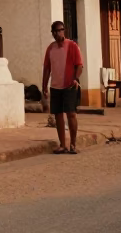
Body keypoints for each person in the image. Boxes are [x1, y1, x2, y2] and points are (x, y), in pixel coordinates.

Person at [41, 20, 83, 155]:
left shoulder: (72, 46)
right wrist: (44, 86)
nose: (58, 33)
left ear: (64, 31)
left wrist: (76, 78)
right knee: (58, 115)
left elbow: (79, 65)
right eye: (55, 31)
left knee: (71, 114)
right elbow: (47, 68)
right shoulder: (50, 48)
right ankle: (62, 145)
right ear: (52, 33)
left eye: (60, 30)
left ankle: (73, 144)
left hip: (70, 85)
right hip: (55, 86)